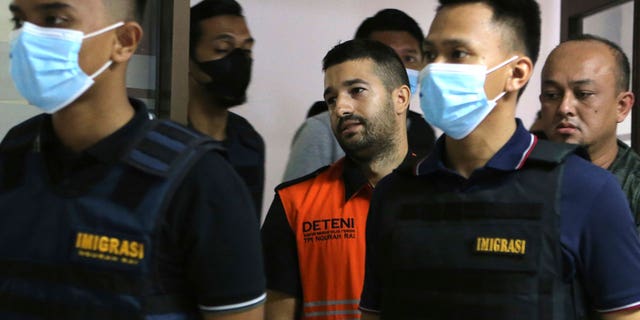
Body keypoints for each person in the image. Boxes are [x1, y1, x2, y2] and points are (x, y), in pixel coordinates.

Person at [359, 0, 640, 319]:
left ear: (516, 73)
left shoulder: (588, 191)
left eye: (457, 54)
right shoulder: (393, 193)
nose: (435, 70)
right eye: (431, 54)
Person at [0, 0, 265, 319]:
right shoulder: (14, 154)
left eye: (54, 19)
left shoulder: (201, 180)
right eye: (19, 21)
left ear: (123, 41)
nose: (29, 37)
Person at [262, 39, 415, 320]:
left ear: (400, 98)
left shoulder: (442, 191)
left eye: (357, 91)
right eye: (331, 99)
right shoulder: (293, 204)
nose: (340, 108)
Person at [282, 8, 435, 182]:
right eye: (384, 57)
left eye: (409, 58)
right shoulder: (320, 131)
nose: (397, 67)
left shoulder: (423, 131)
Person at [539, 34, 640, 226]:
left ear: (622, 106)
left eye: (583, 94)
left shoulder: (634, 191)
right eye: (552, 95)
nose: (564, 108)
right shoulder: (517, 180)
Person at [188, 0, 265, 216]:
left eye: (247, 50)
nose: (240, 60)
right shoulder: (168, 137)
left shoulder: (249, 142)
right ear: (187, 57)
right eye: (223, 48)